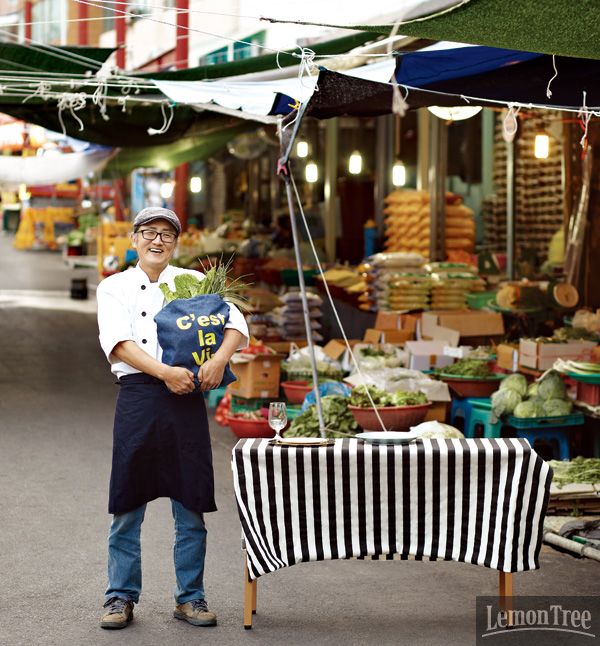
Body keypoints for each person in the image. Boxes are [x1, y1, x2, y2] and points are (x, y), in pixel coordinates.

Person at [96, 207, 248, 630]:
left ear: (176, 242)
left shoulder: (195, 282)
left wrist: (218, 360)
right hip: (139, 398)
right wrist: (164, 373)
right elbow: (119, 343)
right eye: (149, 232)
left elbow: (235, 322)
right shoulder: (114, 287)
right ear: (134, 240)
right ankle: (119, 597)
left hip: (187, 401)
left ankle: (191, 598)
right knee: (127, 503)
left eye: (166, 234)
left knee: (191, 502)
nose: (157, 240)